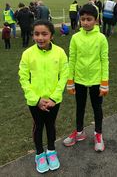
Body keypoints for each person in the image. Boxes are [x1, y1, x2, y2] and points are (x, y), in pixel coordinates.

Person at [19, 20, 69, 173]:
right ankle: (40, 154)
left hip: (54, 101)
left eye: (44, 34)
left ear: (51, 35)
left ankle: (51, 151)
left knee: (51, 125)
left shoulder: (59, 52)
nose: (40, 37)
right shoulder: (27, 54)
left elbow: (64, 76)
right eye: (36, 34)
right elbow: (23, 78)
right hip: (35, 102)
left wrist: (54, 98)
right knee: (38, 126)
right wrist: (36, 100)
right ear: (32, 35)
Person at [63, 4, 109, 152]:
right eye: (83, 19)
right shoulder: (75, 38)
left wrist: (104, 82)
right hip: (79, 80)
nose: (86, 22)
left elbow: (104, 60)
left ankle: (98, 134)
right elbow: (72, 60)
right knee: (80, 107)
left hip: (96, 80)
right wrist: (70, 81)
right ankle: (80, 132)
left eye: (89, 19)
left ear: (96, 20)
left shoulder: (101, 38)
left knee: (97, 108)